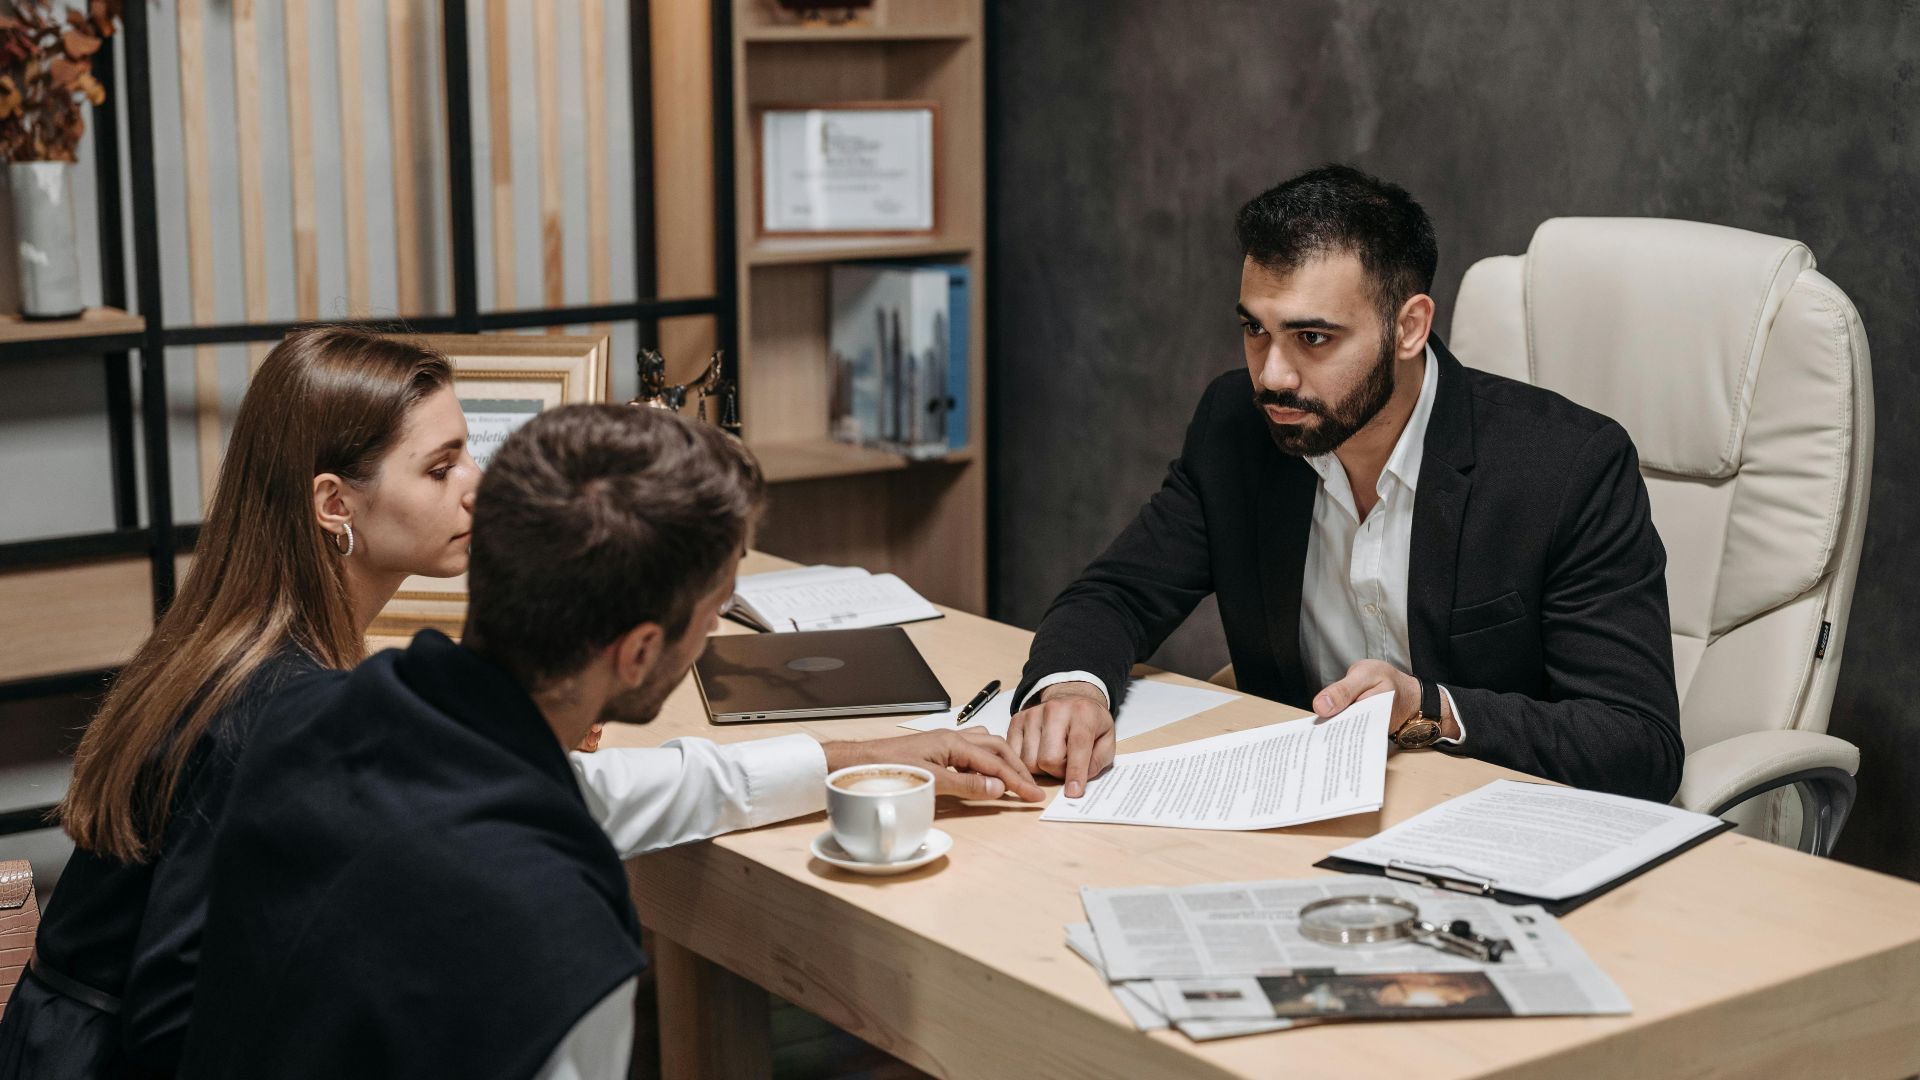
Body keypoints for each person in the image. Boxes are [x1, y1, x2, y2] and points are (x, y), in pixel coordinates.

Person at [182, 405, 1042, 1079]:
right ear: (636, 651)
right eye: (711, 619)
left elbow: (593, 794)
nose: (709, 639)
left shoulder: (318, 719)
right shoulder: (559, 941)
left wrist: (846, 758)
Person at [1005, 165, 1682, 803]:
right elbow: (1117, 594)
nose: (1272, 375)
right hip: (1304, 814)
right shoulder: (1237, 429)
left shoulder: (1567, 468)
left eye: (1313, 338)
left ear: (1409, 328)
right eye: (1255, 330)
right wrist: (1072, 688)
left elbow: (1636, 744)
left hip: (1501, 827)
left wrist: (1431, 708)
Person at [0, 328, 479, 1079]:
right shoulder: (275, 704)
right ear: (333, 503)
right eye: (442, 468)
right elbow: (175, 1022)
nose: (475, 485)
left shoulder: (242, 641)